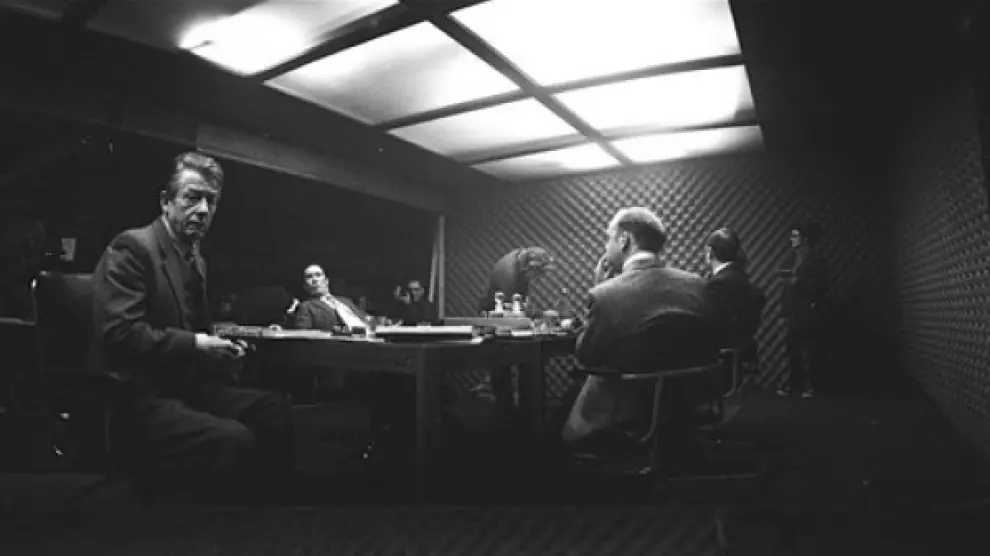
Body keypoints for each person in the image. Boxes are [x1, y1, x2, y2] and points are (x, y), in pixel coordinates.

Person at [90, 151, 293, 502]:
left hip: (186, 390)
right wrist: (197, 344)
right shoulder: (132, 248)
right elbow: (120, 334)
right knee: (233, 439)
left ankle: (268, 520)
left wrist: (222, 350)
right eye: (192, 197)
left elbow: (197, 328)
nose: (202, 210)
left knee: (274, 411)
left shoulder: (195, 258)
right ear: (166, 201)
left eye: (211, 201)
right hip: (140, 399)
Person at [562, 207, 720, 444]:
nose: (606, 246)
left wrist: (599, 291)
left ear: (624, 240)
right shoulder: (698, 285)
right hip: (690, 404)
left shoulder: (605, 294)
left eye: (609, 238)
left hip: (626, 412)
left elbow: (586, 357)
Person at [776, 221, 828, 398]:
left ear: (805, 238)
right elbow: (787, 285)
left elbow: (822, 285)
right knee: (793, 350)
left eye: (795, 235)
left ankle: (812, 386)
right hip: (794, 311)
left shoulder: (816, 259)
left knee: (811, 351)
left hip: (809, 311)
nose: (791, 239)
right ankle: (794, 385)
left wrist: (797, 282)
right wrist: (784, 311)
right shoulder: (793, 258)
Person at [703, 228, 766, 349]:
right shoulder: (740, 275)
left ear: (710, 251)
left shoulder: (719, 284)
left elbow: (714, 327)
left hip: (725, 354)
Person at [477, 247, 555, 313]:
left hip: (507, 305)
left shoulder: (521, 261)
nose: (540, 276)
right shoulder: (509, 274)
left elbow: (522, 302)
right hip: (491, 311)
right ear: (530, 267)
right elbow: (512, 311)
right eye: (540, 272)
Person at [292, 264, 369, 331]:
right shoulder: (306, 307)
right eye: (309, 277)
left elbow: (365, 320)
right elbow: (304, 335)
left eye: (318, 275)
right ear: (305, 286)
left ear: (326, 281)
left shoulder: (346, 301)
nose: (314, 280)